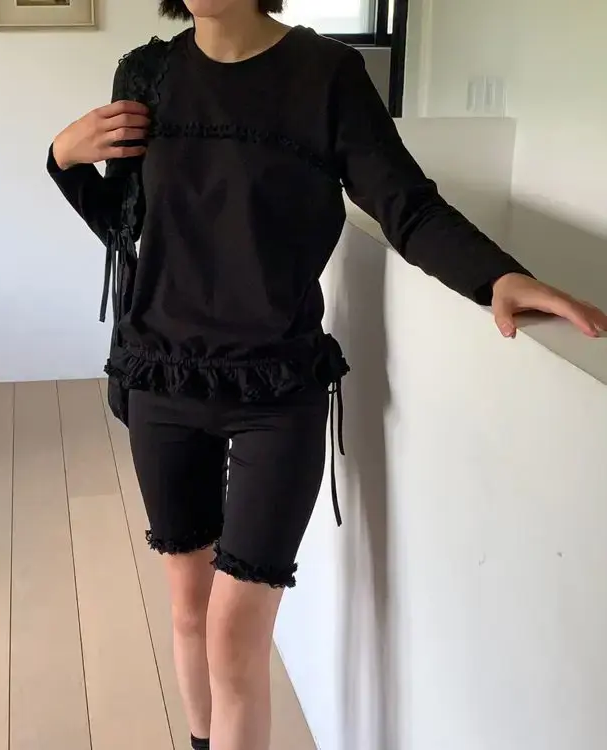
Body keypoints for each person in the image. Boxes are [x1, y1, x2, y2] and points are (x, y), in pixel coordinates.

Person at [48, 2, 607, 749]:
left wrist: (497, 277)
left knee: (235, 632)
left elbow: (407, 206)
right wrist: (63, 160)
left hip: (278, 392)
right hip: (164, 380)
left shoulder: (327, 75)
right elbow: (130, 229)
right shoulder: (148, 74)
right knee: (189, 609)